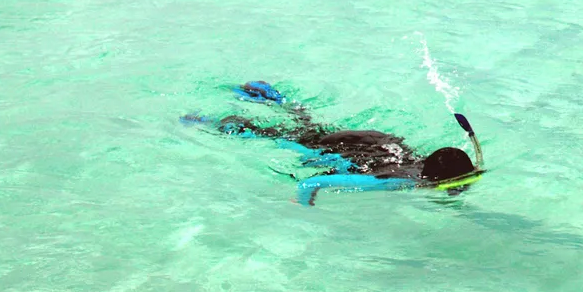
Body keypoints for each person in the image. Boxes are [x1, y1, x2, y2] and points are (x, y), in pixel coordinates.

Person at [183, 81, 485, 205]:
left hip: (374, 141)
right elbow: (310, 182)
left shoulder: (420, 164)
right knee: (278, 136)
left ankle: (273, 98)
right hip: (342, 152)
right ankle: (209, 122)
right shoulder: (393, 182)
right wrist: (302, 205)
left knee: (309, 127)